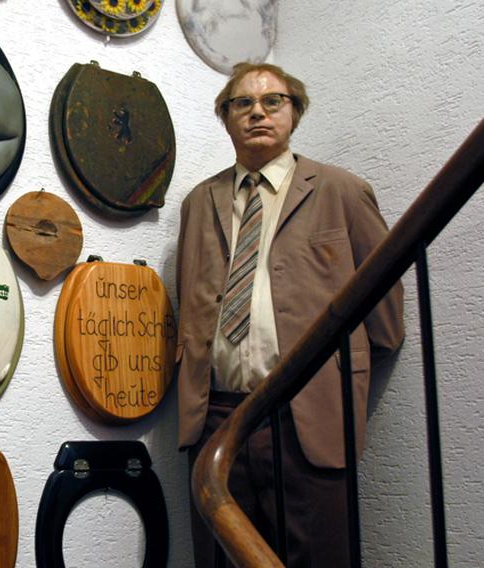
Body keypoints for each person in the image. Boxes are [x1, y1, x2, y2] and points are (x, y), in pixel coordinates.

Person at [175, 62, 404, 567]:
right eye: (242, 103)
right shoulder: (199, 202)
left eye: (273, 101)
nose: (257, 111)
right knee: (222, 557)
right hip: (218, 417)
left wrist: (339, 377)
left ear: (294, 114)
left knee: (319, 557)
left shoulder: (341, 192)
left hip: (307, 419)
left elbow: (386, 324)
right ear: (226, 118)